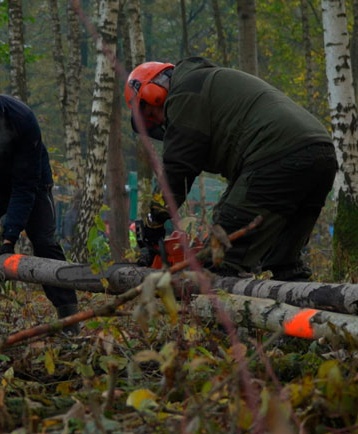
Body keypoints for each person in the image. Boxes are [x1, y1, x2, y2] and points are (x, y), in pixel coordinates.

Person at [125, 56, 338, 281]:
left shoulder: (185, 93)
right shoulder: (207, 84)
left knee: (218, 262)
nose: (159, 122)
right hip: (320, 154)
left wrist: (154, 219)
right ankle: (309, 310)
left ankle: (218, 311)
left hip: (278, 156)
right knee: (284, 263)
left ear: (154, 94)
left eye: (151, 115)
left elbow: (178, 168)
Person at [0, 68, 79, 325]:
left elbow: (25, 185)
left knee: (44, 243)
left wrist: (10, 236)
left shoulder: (22, 118)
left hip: (32, 181)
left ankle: (69, 315)